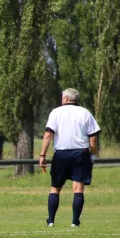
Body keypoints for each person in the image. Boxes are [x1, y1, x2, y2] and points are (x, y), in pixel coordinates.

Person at [39, 88, 101, 228]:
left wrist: (42, 155)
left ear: (66, 99)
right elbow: (93, 137)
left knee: (55, 188)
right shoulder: (85, 112)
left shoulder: (56, 112)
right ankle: (74, 221)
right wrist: (92, 155)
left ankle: (51, 221)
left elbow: (48, 135)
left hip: (61, 153)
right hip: (81, 152)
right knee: (78, 189)